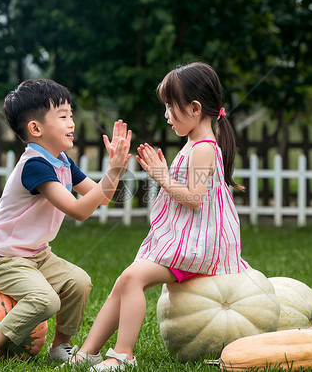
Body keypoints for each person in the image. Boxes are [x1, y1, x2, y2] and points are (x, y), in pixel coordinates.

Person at [68, 62, 249, 371]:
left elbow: (194, 198)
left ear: (194, 108)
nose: (166, 114)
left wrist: (163, 177)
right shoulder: (194, 144)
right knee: (125, 280)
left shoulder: (204, 148)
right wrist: (163, 175)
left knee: (134, 277)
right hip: (188, 239)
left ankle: (122, 355)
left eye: (170, 105)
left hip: (200, 247)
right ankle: (87, 352)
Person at [0, 79, 132, 367]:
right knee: (46, 300)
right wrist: (113, 170)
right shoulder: (35, 165)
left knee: (79, 282)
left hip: (37, 254)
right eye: (63, 116)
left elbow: (101, 198)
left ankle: (61, 347)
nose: (71, 123)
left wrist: (114, 171)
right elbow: (80, 210)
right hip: (4, 257)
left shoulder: (63, 161)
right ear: (35, 129)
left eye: (71, 115)